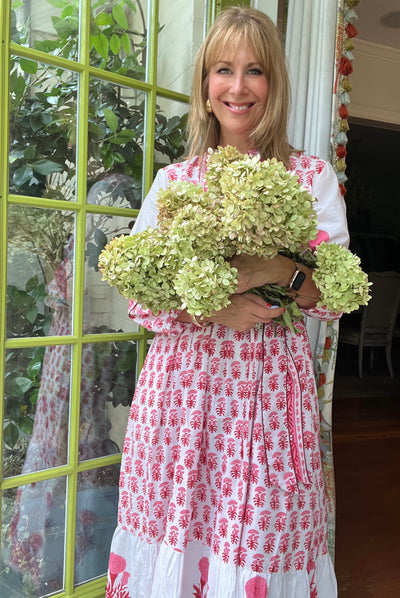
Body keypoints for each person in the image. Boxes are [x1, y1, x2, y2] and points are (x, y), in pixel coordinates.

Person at [105, 7, 349, 598]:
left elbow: (331, 294)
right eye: (223, 70)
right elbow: (141, 294)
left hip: (266, 400)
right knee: (175, 531)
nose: (238, 87)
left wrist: (270, 270)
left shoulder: (309, 177)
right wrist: (214, 306)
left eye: (255, 71)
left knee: (260, 534)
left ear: (275, 84)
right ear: (205, 86)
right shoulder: (173, 182)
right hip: (182, 397)